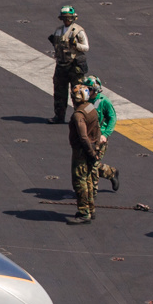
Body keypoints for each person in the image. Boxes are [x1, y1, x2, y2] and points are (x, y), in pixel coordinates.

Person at [49, 5, 90, 124]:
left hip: (74, 66)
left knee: (78, 92)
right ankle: (59, 116)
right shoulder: (58, 30)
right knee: (59, 92)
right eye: (65, 18)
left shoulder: (78, 31)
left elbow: (86, 47)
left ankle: (81, 118)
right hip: (61, 65)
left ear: (73, 18)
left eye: (69, 18)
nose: (67, 20)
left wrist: (76, 45)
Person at [68, 83, 101, 225]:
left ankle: (84, 212)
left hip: (82, 152)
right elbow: (97, 127)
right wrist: (96, 148)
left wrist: (90, 152)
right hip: (92, 147)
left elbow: (83, 137)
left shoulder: (78, 115)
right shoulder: (90, 108)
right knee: (88, 180)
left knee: (79, 181)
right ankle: (90, 209)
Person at [83, 75, 120, 191]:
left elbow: (112, 118)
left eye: (89, 89)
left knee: (93, 164)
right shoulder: (84, 100)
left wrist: (105, 135)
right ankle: (111, 173)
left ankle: (92, 192)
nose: (86, 91)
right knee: (86, 164)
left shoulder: (103, 101)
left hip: (99, 138)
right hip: (87, 137)